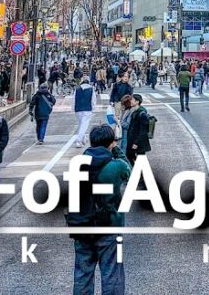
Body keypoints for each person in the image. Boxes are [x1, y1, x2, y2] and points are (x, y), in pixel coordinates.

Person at [67, 124, 132, 295]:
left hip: (82, 224)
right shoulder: (115, 166)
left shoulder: (78, 164)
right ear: (111, 143)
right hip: (108, 226)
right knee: (112, 275)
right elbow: (130, 173)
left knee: (82, 274)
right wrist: (117, 151)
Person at [120, 94, 152, 165]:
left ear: (137, 102)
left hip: (139, 142)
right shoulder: (135, 112)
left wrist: (136, 143)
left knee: (140, 158)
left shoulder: (142, 114)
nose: (130, 101)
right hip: (133, 140)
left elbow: (143, 131)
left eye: (132, 100)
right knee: (129, 155)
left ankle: (140, 173)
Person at [73, 77, 96, 148]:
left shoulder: (77, 89)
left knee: (81, 125)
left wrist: (73, 108)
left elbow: (74, 100)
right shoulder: (91, 89)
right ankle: (79, 140)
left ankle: (83, 139)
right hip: (87, 109)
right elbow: (93, 100)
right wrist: (93, 108)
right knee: (84, 125)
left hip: (78, 109)